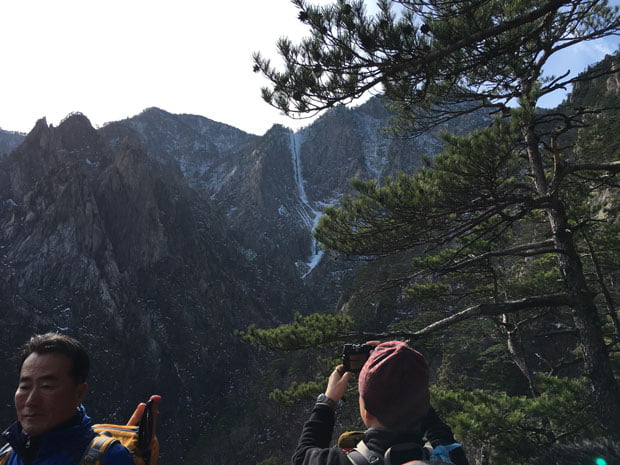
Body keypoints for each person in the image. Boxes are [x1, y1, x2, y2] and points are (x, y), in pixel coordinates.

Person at [292, 340, 469, 465]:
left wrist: (327, 402)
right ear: (423, 405)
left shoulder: (335, 461)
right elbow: (438, 431)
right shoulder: (449, 456)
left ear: (366, 412)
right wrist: (401, 370)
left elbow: (302, 456)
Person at [0, 333, 160, 465]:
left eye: (47, 386)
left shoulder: (110, 459)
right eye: (25, 387)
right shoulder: (7, 455)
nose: (30, 401)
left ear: (79, 393)